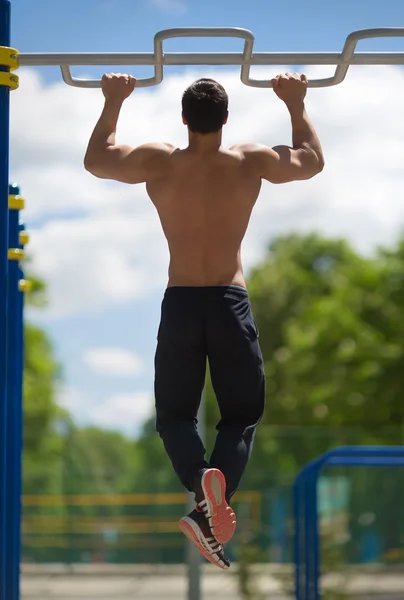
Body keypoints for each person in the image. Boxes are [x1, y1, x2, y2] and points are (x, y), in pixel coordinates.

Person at [84, 72, 324, 570]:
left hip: (181, 303)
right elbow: (311, 161)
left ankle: (200, 485)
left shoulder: (160, 161)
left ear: (184, 119)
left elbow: (97, 159)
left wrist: (113, 101)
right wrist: (296, 103)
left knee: (175, 416)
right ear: (226, 119)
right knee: (239, 418)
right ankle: (206, 502)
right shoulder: (249, 160)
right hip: (229, 302)